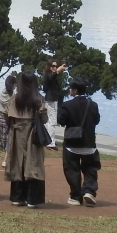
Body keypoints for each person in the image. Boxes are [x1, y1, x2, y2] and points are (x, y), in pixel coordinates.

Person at [6, 71, 48, 208]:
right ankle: (32, 199)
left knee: (17, 163)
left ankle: (17, 197)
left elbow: (6, 115)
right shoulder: (38, 99)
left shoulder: (15, 98)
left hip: (17, 134)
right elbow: (44, 118)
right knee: (33, 163)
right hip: (33, 134)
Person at [59, 78, 102, 207]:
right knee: (90, 168)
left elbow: (61, 121)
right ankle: (89, 191)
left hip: (72, 143)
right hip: (89, 142)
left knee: (72, 169)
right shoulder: (93, 105)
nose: (69, 90)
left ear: (75, 90)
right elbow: (96, 120)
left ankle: (76, 196)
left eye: (71, 88)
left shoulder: (67, 105)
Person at [41, 60, 64, 150]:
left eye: (56, 66)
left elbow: (45, 88)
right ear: (49, 67)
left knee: (49, 121)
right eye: (53, 66)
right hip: (51, 100)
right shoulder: (49, 76)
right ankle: (50, 143)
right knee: (52, 121)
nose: (55, 67)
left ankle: (47, 140)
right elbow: (50, 78)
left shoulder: (50, 76)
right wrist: (58, 71)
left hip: (51, 100)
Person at [0, 73, 17, 164]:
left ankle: (5, 159)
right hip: (8, 119)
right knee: (10, 140)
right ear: (13, 84)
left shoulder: (0, 93)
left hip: (0, 118)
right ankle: (6, 160)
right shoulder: (13, 96)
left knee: (3, 140)